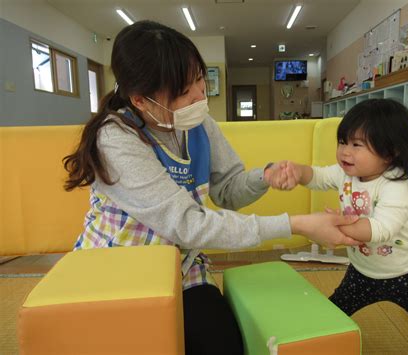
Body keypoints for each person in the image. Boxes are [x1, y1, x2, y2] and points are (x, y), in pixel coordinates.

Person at [63, 20, 359, 355]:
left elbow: (227, 191)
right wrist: (295, 224)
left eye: (199, 80)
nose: (199, 96)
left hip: (182, 265)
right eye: (183, 91)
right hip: (118, 270)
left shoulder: (200, 123)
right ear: (141, 100)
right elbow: (187, 224)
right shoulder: (116, 138)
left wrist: (264, 176)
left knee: (222, 344)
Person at [269, 99, 408, 350]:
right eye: (342, 142)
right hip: (363, 271)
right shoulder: (345, 174)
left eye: (357, 145)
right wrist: (297, 171)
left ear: (390, 151)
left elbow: (381, 229)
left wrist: (334, 227)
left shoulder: (397, 186)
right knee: (332, 312)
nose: (345, 151)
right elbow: (318, 176)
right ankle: (316, 344)